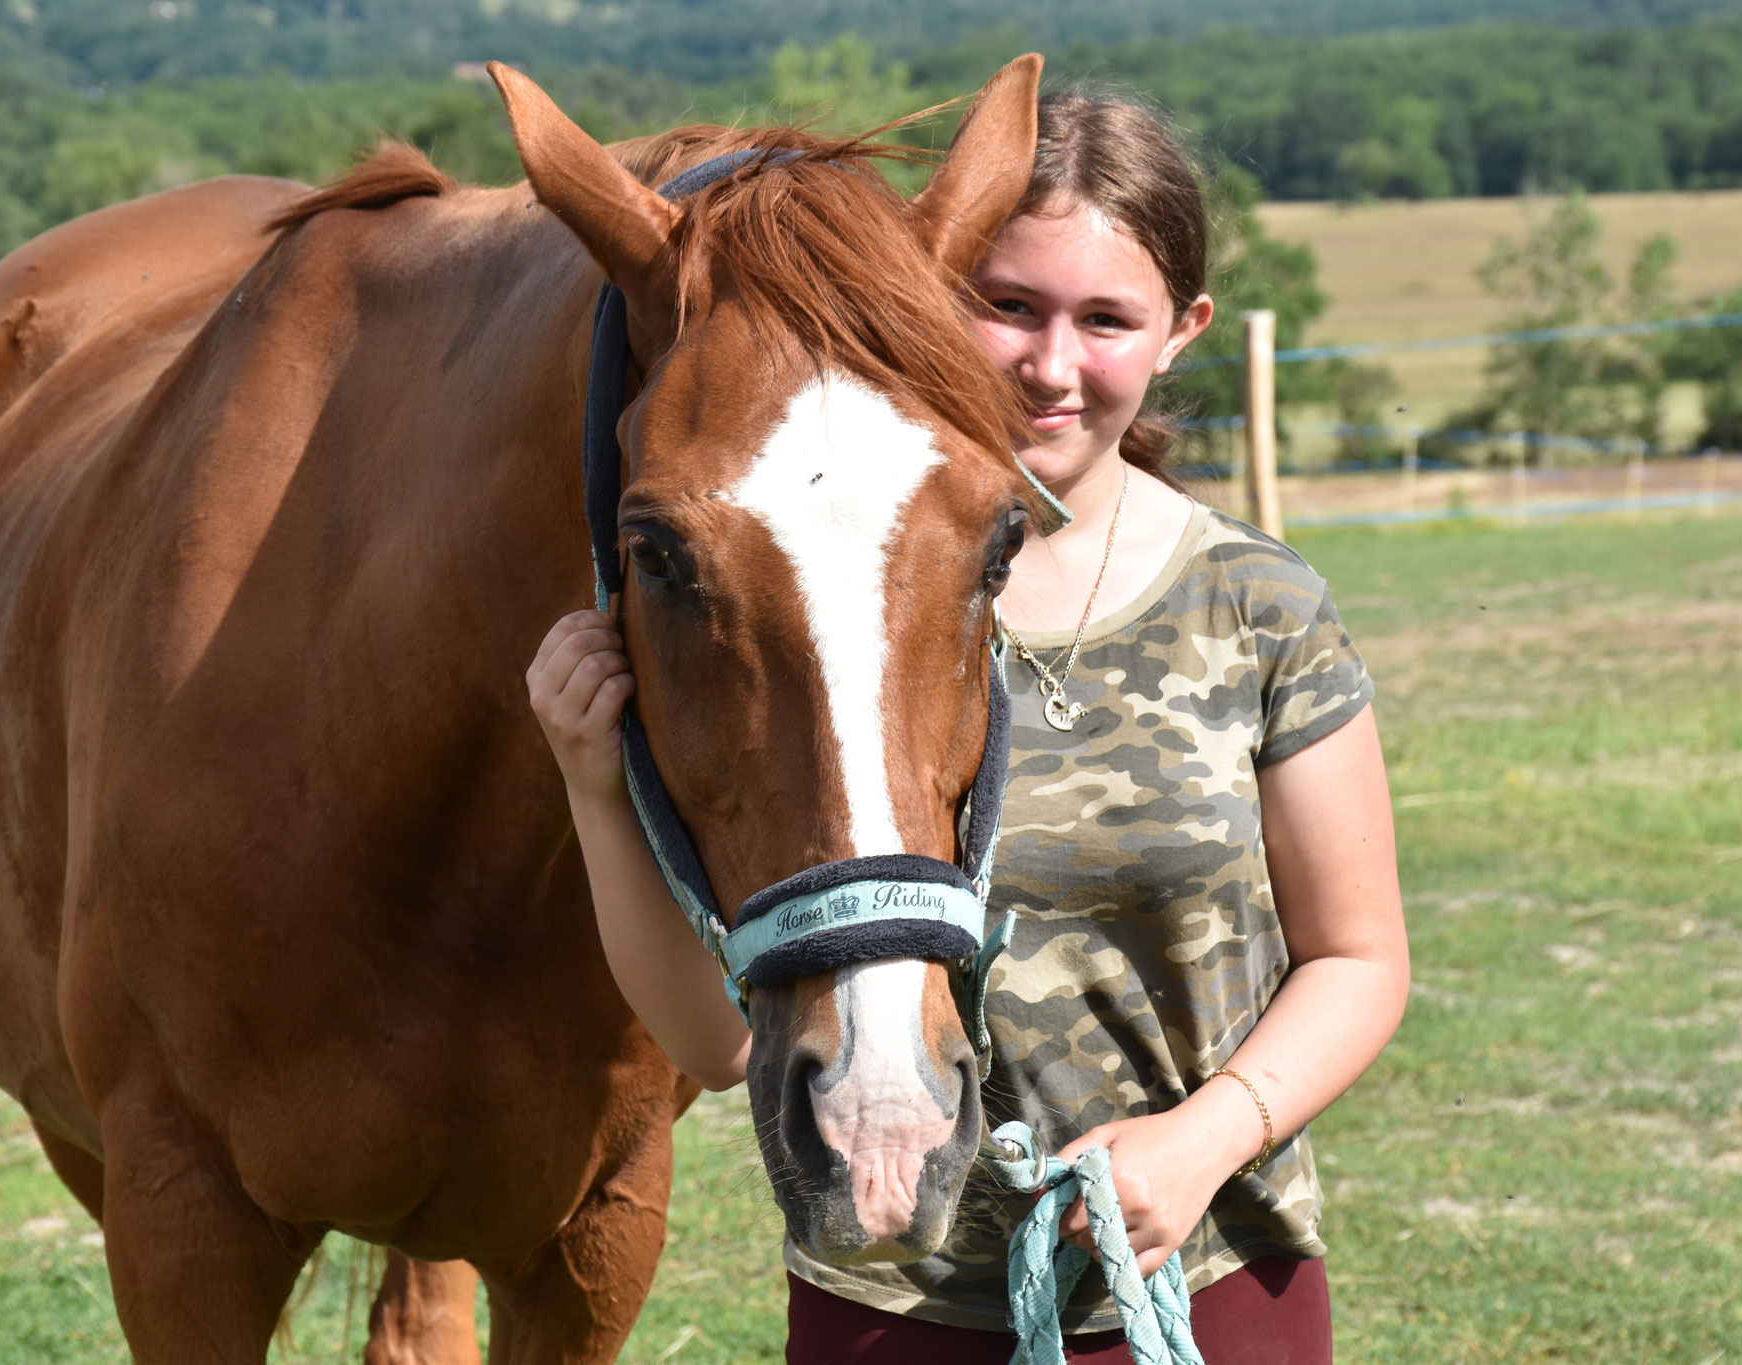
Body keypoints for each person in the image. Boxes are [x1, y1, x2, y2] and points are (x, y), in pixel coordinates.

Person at [528, 89, 1408, 1365]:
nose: (1052, 366)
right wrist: (591, 786)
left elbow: (1358, 957)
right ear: (928, 293)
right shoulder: (839, 618)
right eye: (1010, 307)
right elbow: (713, 1044)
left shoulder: (1257, 607)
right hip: (890, 1311)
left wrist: (1205, 1136)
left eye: (1105, 319)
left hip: (1202, 1278)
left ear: (1178, 333)